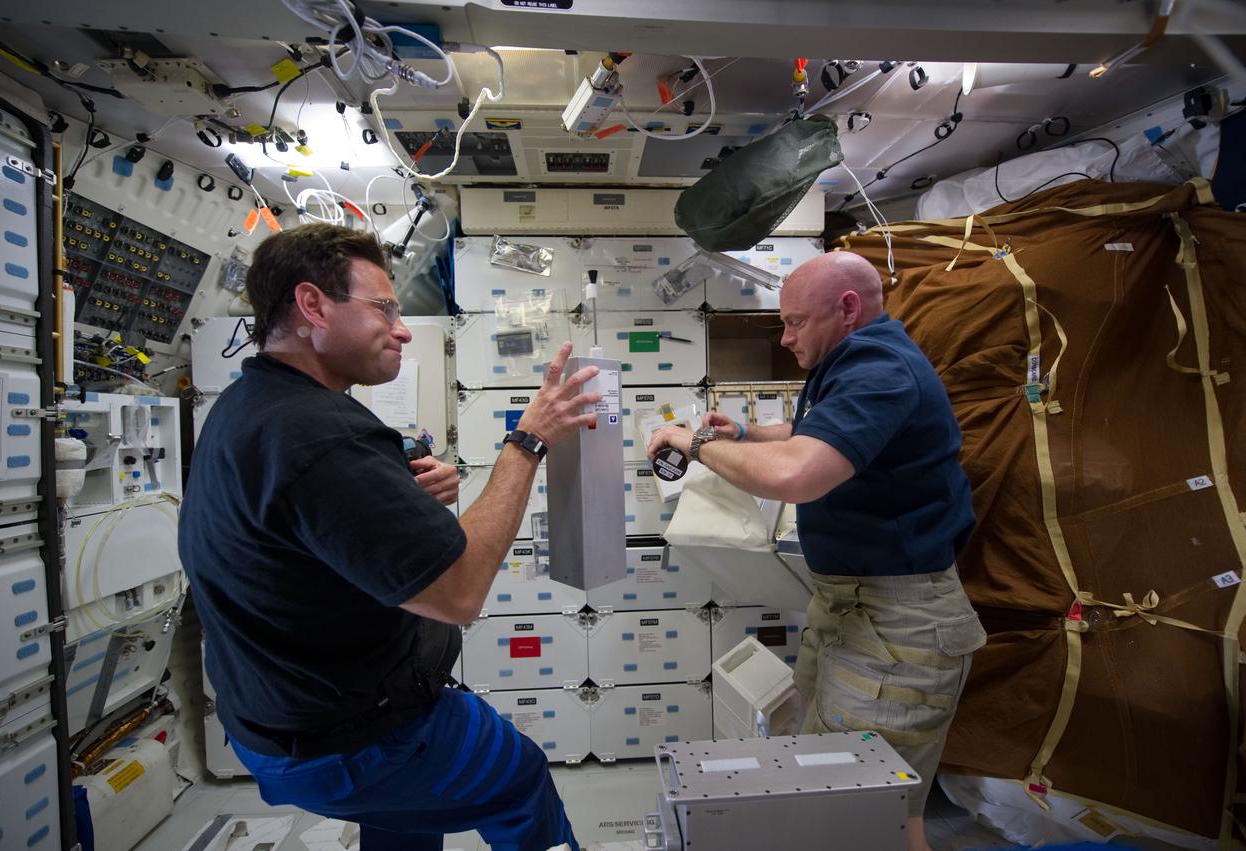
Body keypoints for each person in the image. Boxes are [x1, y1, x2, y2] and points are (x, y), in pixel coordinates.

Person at [179, 223, 600, 851]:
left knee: (406, 814)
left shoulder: (247, 407)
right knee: (519, 780)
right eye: (383, 307)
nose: (402, 329)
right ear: (313, 305)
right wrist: (527, 442)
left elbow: (301, 535)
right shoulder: (322, 435)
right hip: (353, 737)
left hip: (272, 719)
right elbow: (458, 595)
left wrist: (397, 502)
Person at [647, 251, 986, 851]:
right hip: (852, 613)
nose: (786, 338)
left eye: (796, 322)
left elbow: (799, 474)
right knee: (843, 794)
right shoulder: (853, 363)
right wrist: (747, 435)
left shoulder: (879, 367)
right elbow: (815, 433)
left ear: (848, 308)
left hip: (898, 625)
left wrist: (694, 445)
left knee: (868, 818)